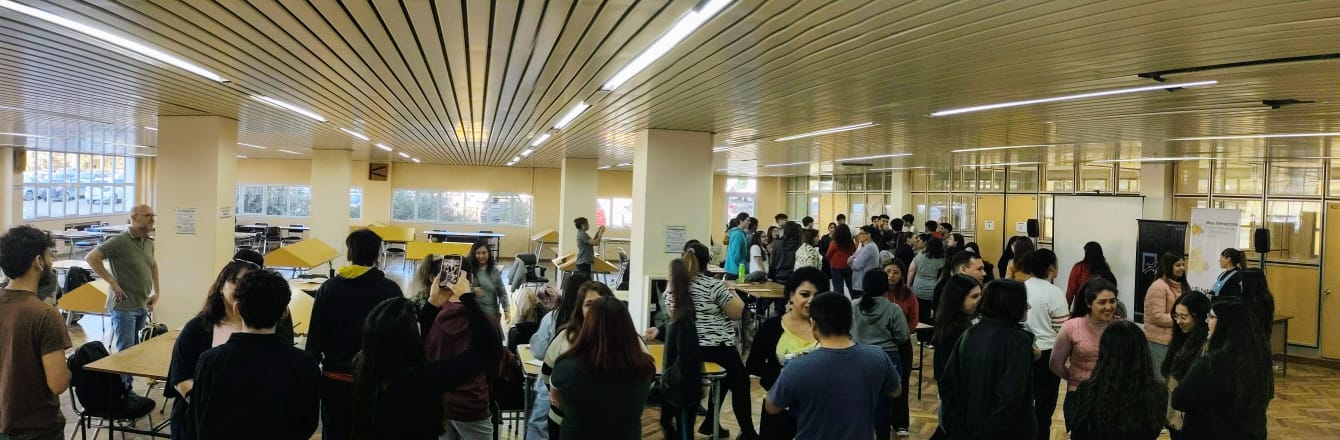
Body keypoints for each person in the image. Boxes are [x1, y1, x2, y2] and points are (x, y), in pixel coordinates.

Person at [351, 278, 503, 440]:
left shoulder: (364, 365)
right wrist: (467, 298)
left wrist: (433, 303)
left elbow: (407, 341)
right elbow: (484, 352)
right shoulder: (421, 380)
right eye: (415, 320)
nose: (419, 323)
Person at [167, 250, 296, 440]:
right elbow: (181, 376)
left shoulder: (274, 325)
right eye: (236, 282)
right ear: (221, 285)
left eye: (248, 284)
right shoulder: (199, 327)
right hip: (205, 422)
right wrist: (208, 407)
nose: (241, 289)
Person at [189, 269, 319, 440]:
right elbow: (308, 422)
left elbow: (199, 419)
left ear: (237, 309)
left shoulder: (210, 360)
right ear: (285, 312)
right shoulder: (305, 363)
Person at [305, 229, 405, 440]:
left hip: (335, 381)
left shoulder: (329, 288)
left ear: (350, 253)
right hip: (377, 383)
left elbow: (315, 338)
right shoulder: (390, 290)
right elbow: (401, 339)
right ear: (377, 255)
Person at [764, 292, 900, 439]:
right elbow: (895, 391)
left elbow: (772, 407)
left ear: (813, 324)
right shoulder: (877, 356)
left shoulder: (797, 367)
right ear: (851, 321)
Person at [666, 242, 755, 439]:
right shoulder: (713, 285)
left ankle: (709, 423)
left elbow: (671, 314)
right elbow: (737, 313)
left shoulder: (674, 285)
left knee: (725, 378)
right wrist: (731, 290)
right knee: (740, 381)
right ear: (708, 262)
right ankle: (748, 432)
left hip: (686, 348)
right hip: (715, 347)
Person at [938, 279, 1037, 439]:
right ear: (1011, 304)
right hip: (1004, 432)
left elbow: (947, 383)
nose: (1028, 306)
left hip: (969, 426)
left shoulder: (969, 333)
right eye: (1023, 301)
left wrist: (956, 425)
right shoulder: (1019, 341)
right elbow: (1010, 396)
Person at [0, 226, 71, 440]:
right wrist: (70, 367)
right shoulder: (46, 316)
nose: (51, 262)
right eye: (50, 255)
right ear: (39, 262)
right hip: (35, 429)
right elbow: (58, 383)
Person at [550, 297, 656, 440]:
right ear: (628, 327)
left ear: (588, 326)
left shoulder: (565, 367)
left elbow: (557, 402)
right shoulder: (645, 368)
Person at [1171, 297, 1273, 440]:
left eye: (1212, 317)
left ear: (1226, 323)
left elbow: (1179, 399)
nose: (1207, 321)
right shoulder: (1260, 359)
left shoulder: (1212, 362)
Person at [746, 267, 825, 440]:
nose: (811, 301)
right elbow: (753, 364)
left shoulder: (829, 329)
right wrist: (783, 375)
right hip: (778, 408)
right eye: (805, 294)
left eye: (817, 296)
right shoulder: (772, 327)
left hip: (817, 411)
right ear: (791, 296)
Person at [425, 275, 506, 440]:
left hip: (440, 401)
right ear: (469, 282)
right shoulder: (485, 322)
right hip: (472, 403)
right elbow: (495, 360)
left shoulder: (432, 318)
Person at [541, 281, 620, 438]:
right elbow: (547, 375)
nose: (595, 310)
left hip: (612, 424)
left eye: (600, 304)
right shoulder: (564, 338)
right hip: (565, 420)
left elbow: (645, 378)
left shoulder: (629, 338)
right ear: (580, 309)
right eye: (589, 304)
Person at [1067, 321, 1167, 440]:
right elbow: (1154, 431)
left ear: (1104, 352)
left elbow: (1078, 434)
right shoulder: (1158, 392)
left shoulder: (1088, 390)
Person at [86, 205, 159, 362]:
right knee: (125, 353)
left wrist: (156, 291)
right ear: (134, 218)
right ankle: (124, 379)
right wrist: (112, 283)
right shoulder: (119, 241)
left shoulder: (149, 242)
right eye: (147, 215)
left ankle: (129, 378)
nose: (152, 219)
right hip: (124, 307)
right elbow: (91, 258)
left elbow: (153, 266)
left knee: (136, 350)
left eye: (153, 216)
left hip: (141, 304)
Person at [526, 273, 591, 440]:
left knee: (539, 426)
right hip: (586, 386)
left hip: (552, 386)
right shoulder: (596, 322)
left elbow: (539, 351)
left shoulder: (554, 318)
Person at [1050, 278, 1120, 430]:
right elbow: (1055, 364)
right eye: (1102, 302)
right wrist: (1074, 377)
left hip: (1113, 395)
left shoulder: (1120, 327)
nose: (1109, 307)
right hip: (1079, 395)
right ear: (1089, 303)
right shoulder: (1071, 327)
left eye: (1112, 301)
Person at [851, 270, 910, 440]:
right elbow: (903, 336)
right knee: (884, 404)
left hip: (858, 356)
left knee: (860, 402)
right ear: (886, 287)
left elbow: (845, 331)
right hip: (887, 358)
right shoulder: (893, 309)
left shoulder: (853, 305)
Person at [1020, 248, 1068, 440]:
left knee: (1022, 401)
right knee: (1044, 406)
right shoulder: (1054, 293)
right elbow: (1062, 328)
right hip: (1048, 354)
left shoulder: (1020, 288)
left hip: (1023, 351)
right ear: (1051, 267)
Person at [660, 258, 705, 440]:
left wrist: (668, 377)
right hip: (676, 387)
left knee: (683, 431)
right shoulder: (680, 316)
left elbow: (687, 358)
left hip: (682, 390)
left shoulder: (683, 318)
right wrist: (659, 330)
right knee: (666, 423)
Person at [1161, 291, 1211, 439]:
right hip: (1173, 414)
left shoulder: (1205, 346)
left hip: (1191, 417)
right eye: (1176, 316)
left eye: (1184, 317)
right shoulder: (1179, 338)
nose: (1178, 321)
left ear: (1199, 317)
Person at [882, 260, 919, 437]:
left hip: (902, 345)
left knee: (901, 383)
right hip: (880, 346)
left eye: (896, 272)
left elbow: (913, 319)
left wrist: (902, 335)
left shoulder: (908, 294)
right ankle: (880, 421)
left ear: (902, 275)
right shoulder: (877, 292)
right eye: (888, 271)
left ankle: (901, 423)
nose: (891, 276)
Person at [1144, 252, 1189, 381]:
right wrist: (1183, 319)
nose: (1182, 268)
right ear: (1168, 266)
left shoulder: (1182, 285)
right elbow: (1157, 317)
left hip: (1175, 341)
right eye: (1178, 265)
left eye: (1183, 265)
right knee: (1161, 380)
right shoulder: (1158, 287)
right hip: (1159, 342)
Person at [930, 251, 985, 322]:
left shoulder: (978, 288)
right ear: (963, 269)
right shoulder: (943, 289)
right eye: (979, 269)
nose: (984, 273)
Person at [464, 240, 508, 320]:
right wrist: (472, 290)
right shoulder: (467, 269)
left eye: (484, 253)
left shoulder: (494, 271)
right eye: (478, 253)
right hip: (472, 312)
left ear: (488, 253)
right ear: (473, 254)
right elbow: (459, 290)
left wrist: (506, 309)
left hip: (491, 313)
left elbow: (501, 291)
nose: (481, 256)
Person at [909, 233, 946, 322]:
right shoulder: (943, 259)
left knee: (918, 312)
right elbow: (942, 276)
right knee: (929, 314)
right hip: (933, 290)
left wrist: (909, 284)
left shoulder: (920, 255)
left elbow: (911, 270)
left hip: (918, 288)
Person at [1237, 269, 1276, 335]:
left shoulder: (1253, 304)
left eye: (1242, 280)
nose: (1239, 283)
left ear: (1250, 283)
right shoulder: (1265, 298)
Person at [848, 225, 882, 298]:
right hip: (864, 282)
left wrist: (850, 262)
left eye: (861, 233)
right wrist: (853, 259)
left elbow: (856, 265)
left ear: (868, 235)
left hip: (862, 284)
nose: (858, 235)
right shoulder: (868, 246)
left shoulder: (869, 247)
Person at [825, 224, 856, 295]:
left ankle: (840, 301)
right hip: (848, 266)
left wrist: (831, 260)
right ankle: (855, 300)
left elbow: (828, 255)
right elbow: (854, 250)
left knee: (838, 288)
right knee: (851, 286)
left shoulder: (834, 242)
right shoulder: (850, 242)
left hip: (836, 267)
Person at [726, 213, 752, 279]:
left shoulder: (741, 233)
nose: (749, 223)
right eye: (747, 221)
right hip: (735, 269)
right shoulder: (737, 234)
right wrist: (740, 266)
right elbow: (735, 252)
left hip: (738, 268)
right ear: (741, 221)